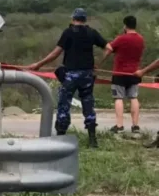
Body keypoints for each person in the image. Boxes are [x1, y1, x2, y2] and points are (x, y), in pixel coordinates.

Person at [27, 8, 107, 148]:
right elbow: (109, 47)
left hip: (71, 74)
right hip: (87, 75)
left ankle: (61, 138)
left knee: (64, 104)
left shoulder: (68, 32)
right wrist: (98, 63)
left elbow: (56, 53)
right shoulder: (92, 32)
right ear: (85, 19)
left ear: (73, 19)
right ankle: (93, 140)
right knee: (88, 105)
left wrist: (38, 64)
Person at [98, 16, 144, 134]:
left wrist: (98, 63)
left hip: (119, 73)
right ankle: (135, 126)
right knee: (133, 97)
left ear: (125, 25)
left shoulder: (121, 38)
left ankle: (119, 125)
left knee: (118, 98)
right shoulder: (140, 39)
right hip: (134, 72)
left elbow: (108, 50)